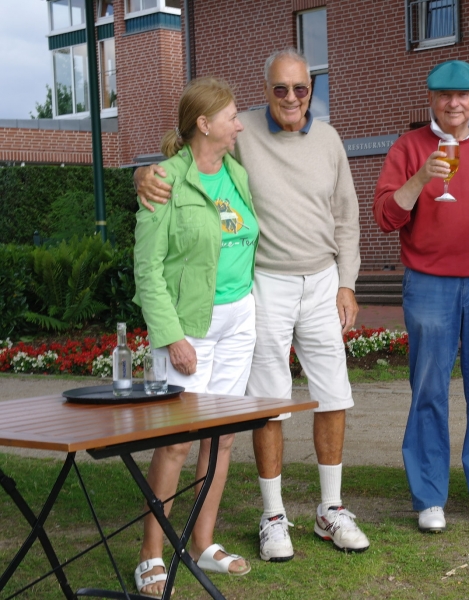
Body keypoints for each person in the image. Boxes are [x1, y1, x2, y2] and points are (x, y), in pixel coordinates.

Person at [134, 48, 369, 558]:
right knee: (247, 411)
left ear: (312, 89)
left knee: (314, 402)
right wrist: (143, 175)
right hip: (256, 290)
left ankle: (325, 511)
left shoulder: (316, 143)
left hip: (302, 288)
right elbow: (186, 163)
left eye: (301, 88)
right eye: (280, 89)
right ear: (266, 91)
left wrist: (347, 282)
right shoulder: (236, 142)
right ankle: (269, 517)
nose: (291, 97)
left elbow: (347, 218)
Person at [373, 60, 469, 533]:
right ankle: (428, 496)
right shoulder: (408, 146)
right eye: (444, 95)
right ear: (431, 99)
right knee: (428, 389)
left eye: (463, 95)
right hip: (429, 282)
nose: (453, 103)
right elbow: (385, 217)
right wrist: (421, 177)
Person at [132, 76, 256, 597]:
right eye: (231, 117)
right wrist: (171, 336)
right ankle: (150, 554)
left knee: (222, 436)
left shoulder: (236, 173)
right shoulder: (165, 180)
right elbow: (147, 268)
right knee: (177, 443)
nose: (239, 125)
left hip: (238, 320)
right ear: (204, 124)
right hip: (189, 328)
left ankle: (202, 541)